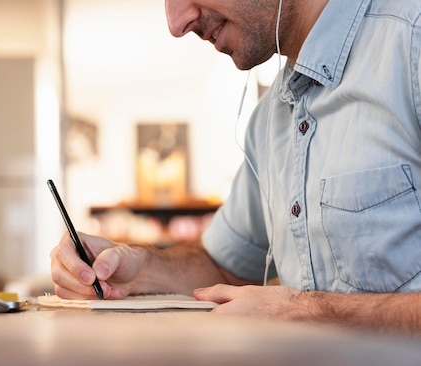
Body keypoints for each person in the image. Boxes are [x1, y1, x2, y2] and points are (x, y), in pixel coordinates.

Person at [50, 0, 421, 332]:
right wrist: (138, 268)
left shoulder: (412, 39)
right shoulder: (270, 119)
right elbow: (226, 264)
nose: (176, 23)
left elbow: (302, 311)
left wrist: (310, 312)